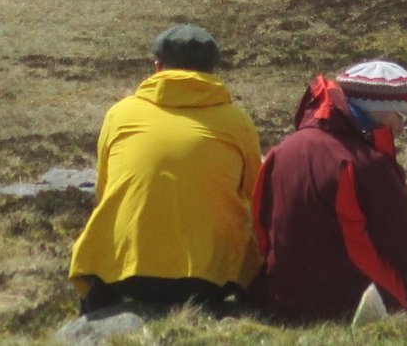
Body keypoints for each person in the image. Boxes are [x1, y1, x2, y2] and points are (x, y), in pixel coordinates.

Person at [68, 23, 262, 317]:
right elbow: (255, 196)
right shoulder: (238, 123)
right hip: (211, 280)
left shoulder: (120, 115)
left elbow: (104, 191)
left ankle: (94, 320)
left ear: (157, 68)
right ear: (212, 71)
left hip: (127, 274)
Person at [250, 58, 407, 324]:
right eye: (398, 114)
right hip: (350, 300)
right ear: (377, 110)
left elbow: (260, 225)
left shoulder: (281, 151)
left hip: (281, 296)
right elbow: (406, 251)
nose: (401, 125)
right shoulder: (363, 163)